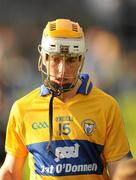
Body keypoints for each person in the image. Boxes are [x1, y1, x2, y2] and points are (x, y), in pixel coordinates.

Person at [0, 19, 132, 180]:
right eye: (55, 59)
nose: (62, 70)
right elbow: (11, 171)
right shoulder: (22, 109)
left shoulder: (107, 107)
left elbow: (121, 171)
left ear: (81, 60)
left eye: (70, 60)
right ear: (44, 58)